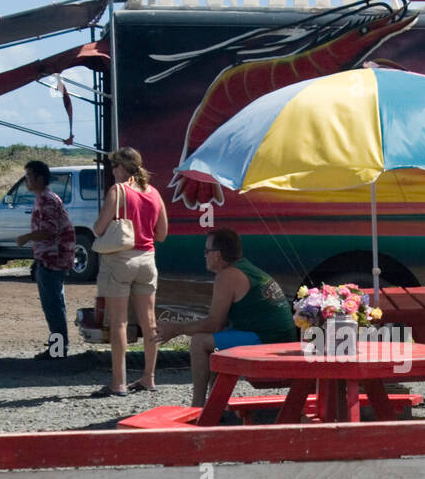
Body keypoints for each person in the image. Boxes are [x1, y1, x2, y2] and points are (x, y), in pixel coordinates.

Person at [154, 228, 296, 407]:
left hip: (270, 343)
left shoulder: (228, 276)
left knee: (199, 343)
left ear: (217, 255)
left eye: (206, 251)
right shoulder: (244, 268)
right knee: (217, 339)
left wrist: (175, 329)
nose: (204, 255)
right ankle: (215, 404)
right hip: (277, 339)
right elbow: (218, 326)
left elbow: (213, 323)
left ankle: (197, 407)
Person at [90, 147, 168, 397]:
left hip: (120, 260)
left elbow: (99, 228)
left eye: (114, 166)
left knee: (119, 323)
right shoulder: (154, 193)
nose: (113, 171)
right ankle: (149, 377)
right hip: (147, 259)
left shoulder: (118, 191)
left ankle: (119, 382)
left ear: (122, 168)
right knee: (149, 322)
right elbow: (162, 234)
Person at [15, 160, 75, 359]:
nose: (26, 180)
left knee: (54, 307)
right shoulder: (43, 198)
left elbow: (49, 230)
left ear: (40, 178)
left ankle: (58, 350)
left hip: (52, 261)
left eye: (29, 176)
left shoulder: (47, 200)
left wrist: (27, 237)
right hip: (48, 259)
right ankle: (57, 348)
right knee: (54, 305)